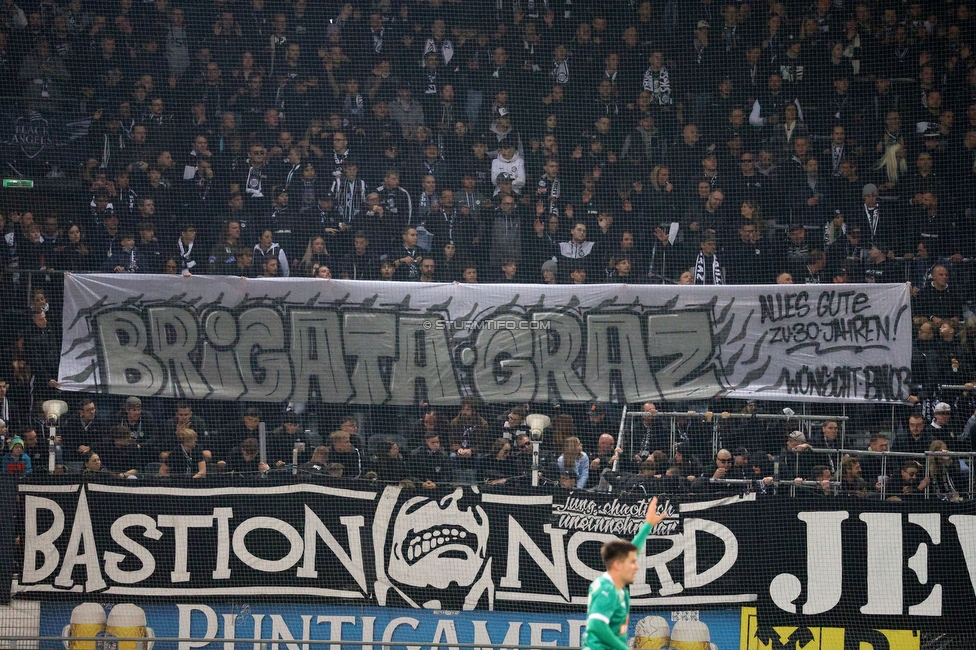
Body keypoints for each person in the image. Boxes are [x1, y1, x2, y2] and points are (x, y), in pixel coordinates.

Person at [582, 497, 667, 650]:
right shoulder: (606, 589)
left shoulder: (618, 588)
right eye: (633, 563)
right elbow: (596, 624)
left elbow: (632, 551)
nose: (637, 567)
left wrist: (648, 526)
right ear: (617, 565)